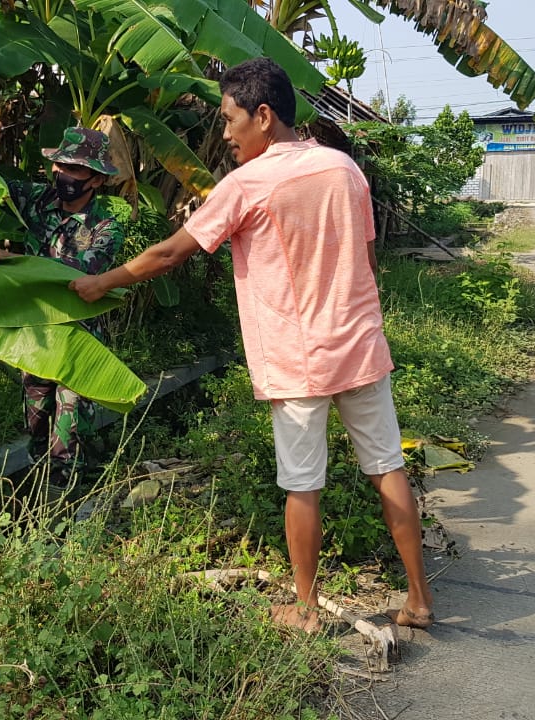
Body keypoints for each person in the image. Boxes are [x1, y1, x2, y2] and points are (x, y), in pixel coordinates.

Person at [69, 58, 434, 632]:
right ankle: (418, 600)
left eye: (230, 119)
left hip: (297, 360)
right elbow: (366, 260)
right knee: (387, 467)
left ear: (264, 116)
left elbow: (169, 254)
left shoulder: (247, 184)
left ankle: (306, 610)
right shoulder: (344, 169)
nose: (225, 133)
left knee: (302, 484)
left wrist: (100, 282)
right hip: (360, 346)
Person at [0, 123, 125, 486]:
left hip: (78, 338)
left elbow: (75, 273)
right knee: (37, 424)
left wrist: (12, 259)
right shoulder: (38, 200)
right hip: (38, 333)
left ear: (96, 180)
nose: (63, 174)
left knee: (69, 432)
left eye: (74, 169)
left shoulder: (106, 227)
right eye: (60, 165)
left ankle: (67, 505)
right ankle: (38, 498)